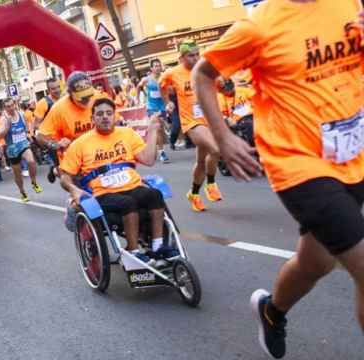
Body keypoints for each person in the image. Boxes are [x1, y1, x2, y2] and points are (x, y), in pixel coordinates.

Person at [193, 1, 364, 358]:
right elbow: (203, 75)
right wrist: (223, 137)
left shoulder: (350, 4)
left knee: (316, 262)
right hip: (297, 162)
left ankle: (272, 311)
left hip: (351, 153)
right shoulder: (259, 27)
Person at [59, 98, 171, 260]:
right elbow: (64, 176)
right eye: (100, 114)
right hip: (103, 193)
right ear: (92, 119)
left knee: (155, 194)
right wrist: (73, 189)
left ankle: (158, 246)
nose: (105, 117)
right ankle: (133, 252)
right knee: (127, 203)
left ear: (115, 116)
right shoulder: (80, 144)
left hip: (132, 186)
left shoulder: (127, 134)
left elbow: (148, 160)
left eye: (109, 113)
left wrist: (153, 131)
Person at [159, 40, 223, 212]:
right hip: (191, 122)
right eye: (190, 56)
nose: (195, 58)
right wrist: (167, 103)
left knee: (201, 162)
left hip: (208, 119)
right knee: (216, 150)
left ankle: (194, 194)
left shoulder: (204, 68)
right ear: (181, 57)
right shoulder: (173, 73)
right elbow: (161, 85)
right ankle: (211, 184)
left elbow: (219, 85)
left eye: (197, 54)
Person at [36, 71, 109, 183]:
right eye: (81, 97)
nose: (86, 100)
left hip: (98, 151)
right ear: (70, 93)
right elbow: (40, 135)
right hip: (73, 155)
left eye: (88, 95)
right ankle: (57, 171)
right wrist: (56, 144)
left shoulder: (99, 97)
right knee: (82, 191)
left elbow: (114, 121)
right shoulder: (58, 108)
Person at [0, 97, 43, 202]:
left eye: (11, 105)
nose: (10, 108)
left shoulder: (21, 114)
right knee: (17, 174)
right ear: (5, 108)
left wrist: (29, 134)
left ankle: (34, 182)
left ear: (14, 105)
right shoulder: (4, 119)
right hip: (12, 148)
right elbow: (0, 135)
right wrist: (7, 127)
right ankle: (22, 192)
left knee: (31, 161)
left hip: (23, 144)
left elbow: (27, 127)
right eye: (8, 106)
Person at [138, 58, 170, 164]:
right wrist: (140, 99)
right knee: (158, 128)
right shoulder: (146, 79)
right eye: (155, 66)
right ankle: (162, 153)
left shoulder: (164, 78)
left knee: (164, 126)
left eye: (158, 65)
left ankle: (159, 144)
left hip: (163, 106)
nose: (157, 68)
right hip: (151, 107)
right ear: (151, 68)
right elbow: (139, 87)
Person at [33, 78, 63, 183]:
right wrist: (45, 141)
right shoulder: (44, 103)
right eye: (53, 88)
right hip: (52, 141)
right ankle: (54, 170)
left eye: (58, 87)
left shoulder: (64, 99)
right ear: (48, 90)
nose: (57, 90)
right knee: (62, 169)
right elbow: (36, 125)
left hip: (66, 137)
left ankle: (54, 169)